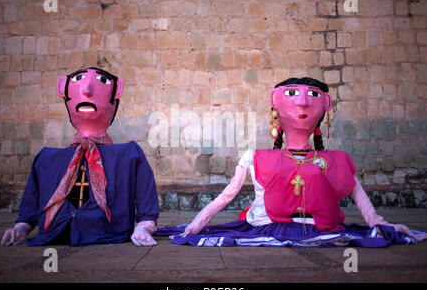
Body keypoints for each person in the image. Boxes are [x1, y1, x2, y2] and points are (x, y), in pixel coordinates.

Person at [155, 77, 426, 248]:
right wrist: (197, 224)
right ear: (275, 107)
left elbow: (362, 201)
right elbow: (227, 195)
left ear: (324, 108)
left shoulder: (337, 160)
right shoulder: (255, 157)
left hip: (321, 228)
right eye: (293, 95)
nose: (305, 103)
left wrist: (377, 223)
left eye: (312, 96)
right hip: (267, 225)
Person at [1, 67, 159, 247]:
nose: (87, 90)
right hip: (54, 234)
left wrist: (144, 226)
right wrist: (21, 228)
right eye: (78, 80)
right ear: (63, 89)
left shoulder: (129, 155)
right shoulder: (46, 159)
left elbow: (147, 202)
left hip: (109, 233)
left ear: (117, 92)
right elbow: (31, 202)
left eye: (102, 81)